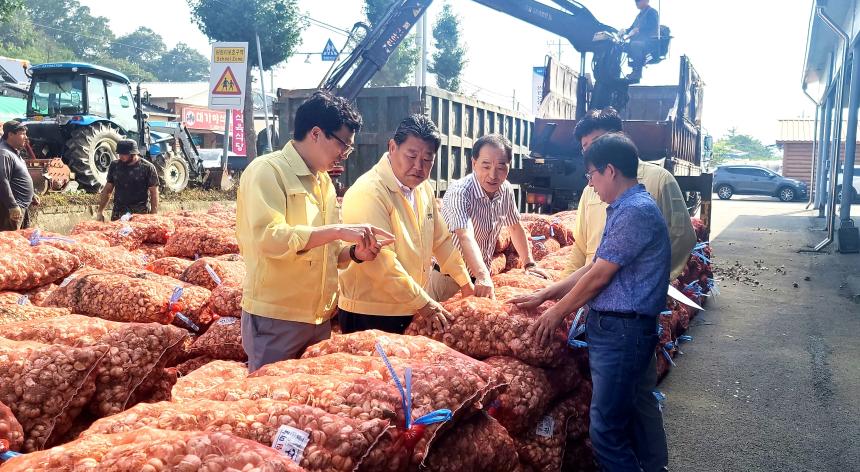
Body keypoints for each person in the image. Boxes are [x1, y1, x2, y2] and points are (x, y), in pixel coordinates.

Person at [512, 133, 670, 472]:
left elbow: (599, 276)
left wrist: (556, 314)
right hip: (624, 329)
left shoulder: (634, 212)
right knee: (634, 412)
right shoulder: (625, 207)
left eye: (592, 175)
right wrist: (546, 293)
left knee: (606, 431)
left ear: (609, 171)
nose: (591, 184)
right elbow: (593, 264)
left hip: (623, 331)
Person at [235, 90, 393, 373]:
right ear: (316, 133)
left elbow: (329, 254)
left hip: (318, 320)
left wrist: (356, 253)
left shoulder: (324, 183)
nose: (344, 154)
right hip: (277, 320)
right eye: (343, 144)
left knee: (309, 410)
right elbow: (268, 238)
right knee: (272, 407)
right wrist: (335, 231)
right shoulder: (267, 172)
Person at [338, 114, 472, 335]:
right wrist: (425, 304)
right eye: (411, 156)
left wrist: (466, 284)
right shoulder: (370, 192)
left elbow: (442, 241)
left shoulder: (423, 189)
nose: (419, 166)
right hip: (371, 313)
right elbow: (381, 263)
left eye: (427, 159)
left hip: (409, 305)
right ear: (392, 147)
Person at [567, 107, 695, 282]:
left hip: (635, 295)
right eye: (586, 147)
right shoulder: (589, 190)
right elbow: (580, 246)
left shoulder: (659, 180)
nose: (591, 152)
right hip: (593, 291)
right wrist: (563, 289)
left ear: (619, 138)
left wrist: (653, 280)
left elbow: (681, 237)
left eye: (597, 142)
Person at [440, 133, 548, 299]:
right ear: (474, 163)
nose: (493, 175)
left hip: (480, 277)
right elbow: (465, 236)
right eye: (486, 166)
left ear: (509, 167)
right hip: (449, 280)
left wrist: (529, 263)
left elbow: (515, 227)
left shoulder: (505, 190)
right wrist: (483, 275)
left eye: (500, 167)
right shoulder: (460, 192)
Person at [96, 139, 160, 221]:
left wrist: (153, 214)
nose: (121, 156)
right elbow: (108, 189)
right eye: (119, 154)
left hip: (139, 214)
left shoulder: (147, 167)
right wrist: (100, 211)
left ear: (133, 154)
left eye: (124, 154)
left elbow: (154, 192)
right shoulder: (115, 166)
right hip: (118, 212)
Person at [0, 120, 36, 231]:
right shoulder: (4, 153)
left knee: (20, 242)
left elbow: (18, 177)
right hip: (11, 210)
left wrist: (32, 194)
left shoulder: (14, 152)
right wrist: (12, 206)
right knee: (9, 243)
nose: (26, 137)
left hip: (21, 207)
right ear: (10, 134)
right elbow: (2, 180)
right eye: (22, 134)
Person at [624, 0, 660, 82]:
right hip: (641, 41)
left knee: (635, 45)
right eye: (636, 1)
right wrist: (624, 31)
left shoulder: (652, 12)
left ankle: (637, 72)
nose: (636, 2)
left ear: (646, 1)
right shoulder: (639, 15)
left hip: (650, 42)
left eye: (639, 0)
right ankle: (631, 69)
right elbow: (632, 28)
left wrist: (639, 30)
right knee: (622, 46)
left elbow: (652, 25)